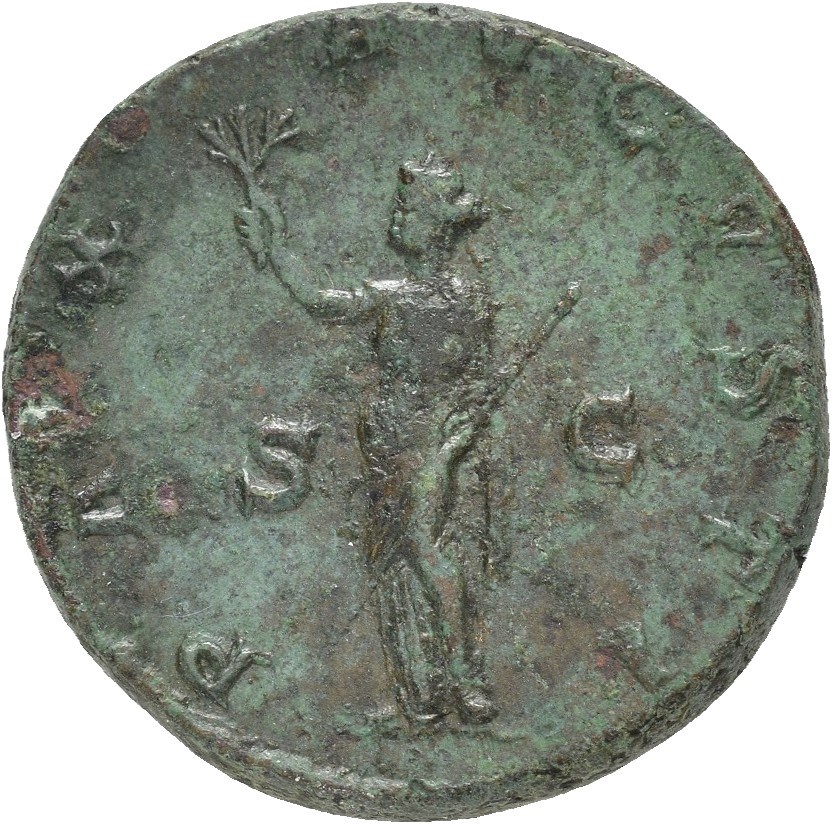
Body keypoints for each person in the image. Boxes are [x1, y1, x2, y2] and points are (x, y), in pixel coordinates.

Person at [267, 154, 578, 726]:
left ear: (435, 225)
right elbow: (474, 375)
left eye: (407, 208)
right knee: (400, 557)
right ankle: (425, 692)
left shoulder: (418, 297)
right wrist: (273, 245)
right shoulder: (455, 296)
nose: (396, 216)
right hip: (397, 442)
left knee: (422, 550)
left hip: (426, 443)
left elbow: (321, 302)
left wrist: (276, 249)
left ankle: (464, 681)